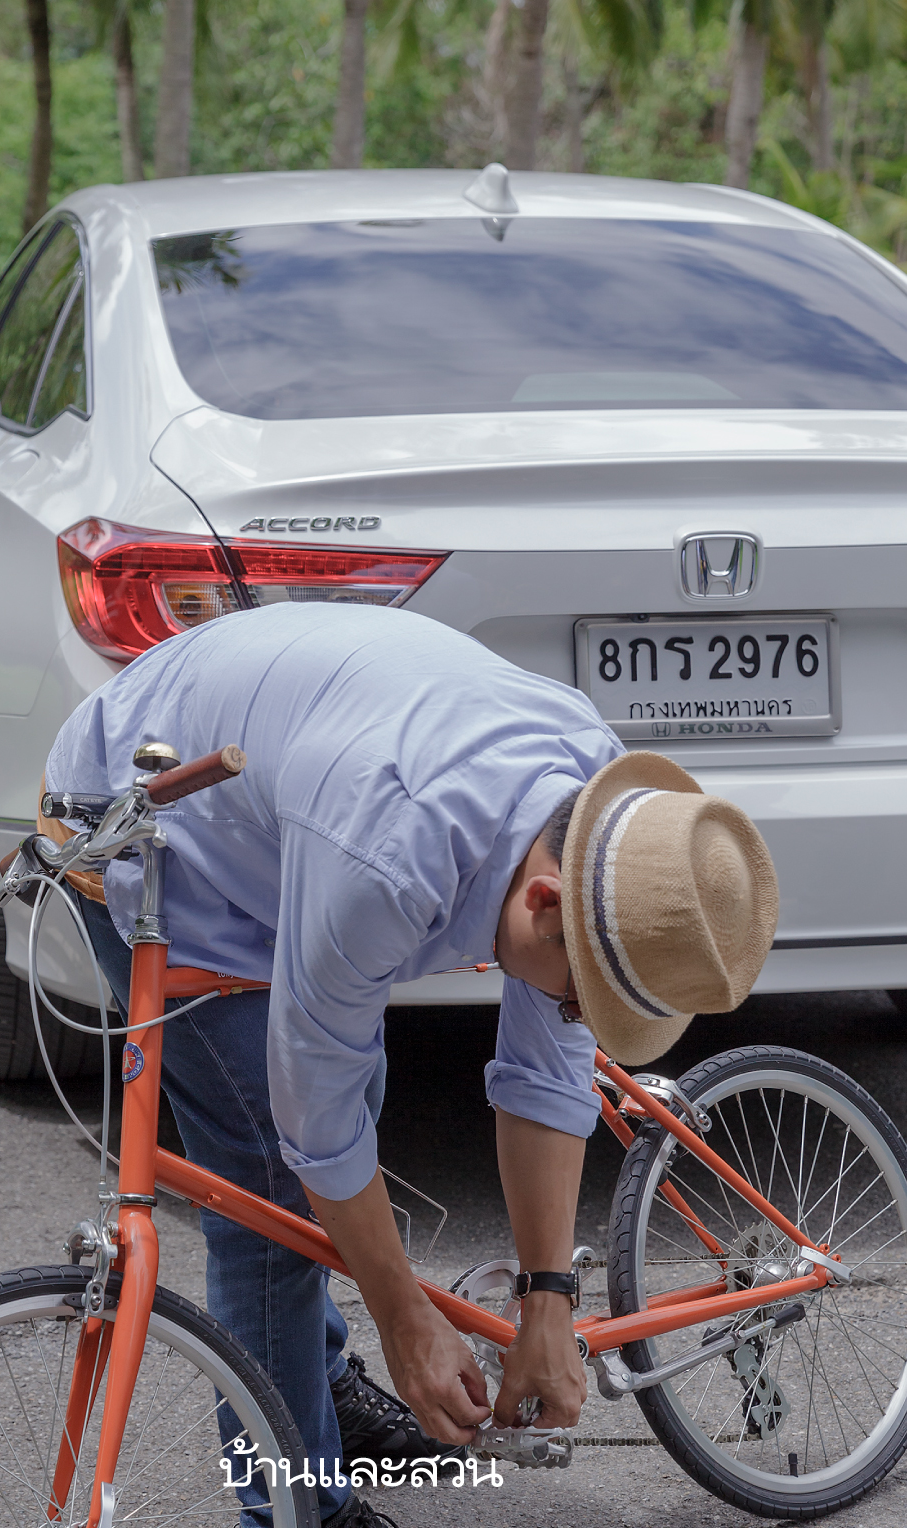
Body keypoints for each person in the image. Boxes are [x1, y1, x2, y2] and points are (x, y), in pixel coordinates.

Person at [43, 604, 777, 1527]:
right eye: (587, 990)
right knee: (268, 1193)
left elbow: (545, 1077)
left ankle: (323, 1396)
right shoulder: (389, 859)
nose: (584, 1015)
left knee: (335, 1133)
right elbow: (318, 1114)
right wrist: (406, 1322)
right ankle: (299, 1509)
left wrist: (548, 1304)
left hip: (299, 781)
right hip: (156, 804)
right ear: (546, 899)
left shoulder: (600, 823)